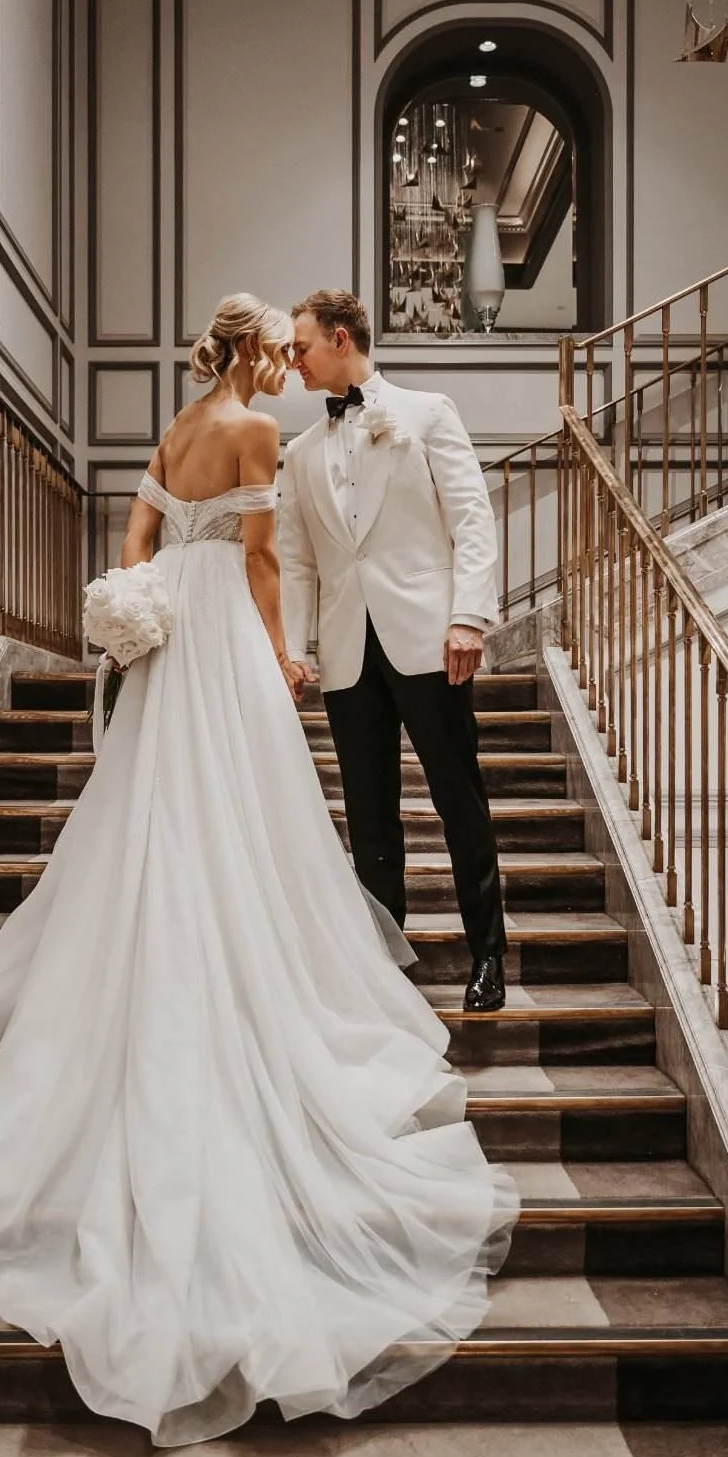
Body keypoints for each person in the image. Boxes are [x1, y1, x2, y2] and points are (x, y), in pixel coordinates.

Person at [0, 293, 517, 1449]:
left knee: (157, 808)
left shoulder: (186, 424)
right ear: (258, 351)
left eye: (304, 347)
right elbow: (263, 558)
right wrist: (277, 646)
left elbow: (134, 541)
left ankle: (460, 945)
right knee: (257, 809)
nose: (291, 363)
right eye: (280, 350)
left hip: (185, 639)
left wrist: (136, 609)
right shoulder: (257, 433)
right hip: (237, 634)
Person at [279, 291, 508, 1014]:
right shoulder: (299, 452)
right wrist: (293, 649)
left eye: (302, 347)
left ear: (340, 340)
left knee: (456, 800)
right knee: (369, 815)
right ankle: (385, 966)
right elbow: (296, 562)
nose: (293, 361)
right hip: (348, 653)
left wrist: (468, 616)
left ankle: (488, 958)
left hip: (428, 640)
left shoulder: (427, 412)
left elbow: (472, 517)